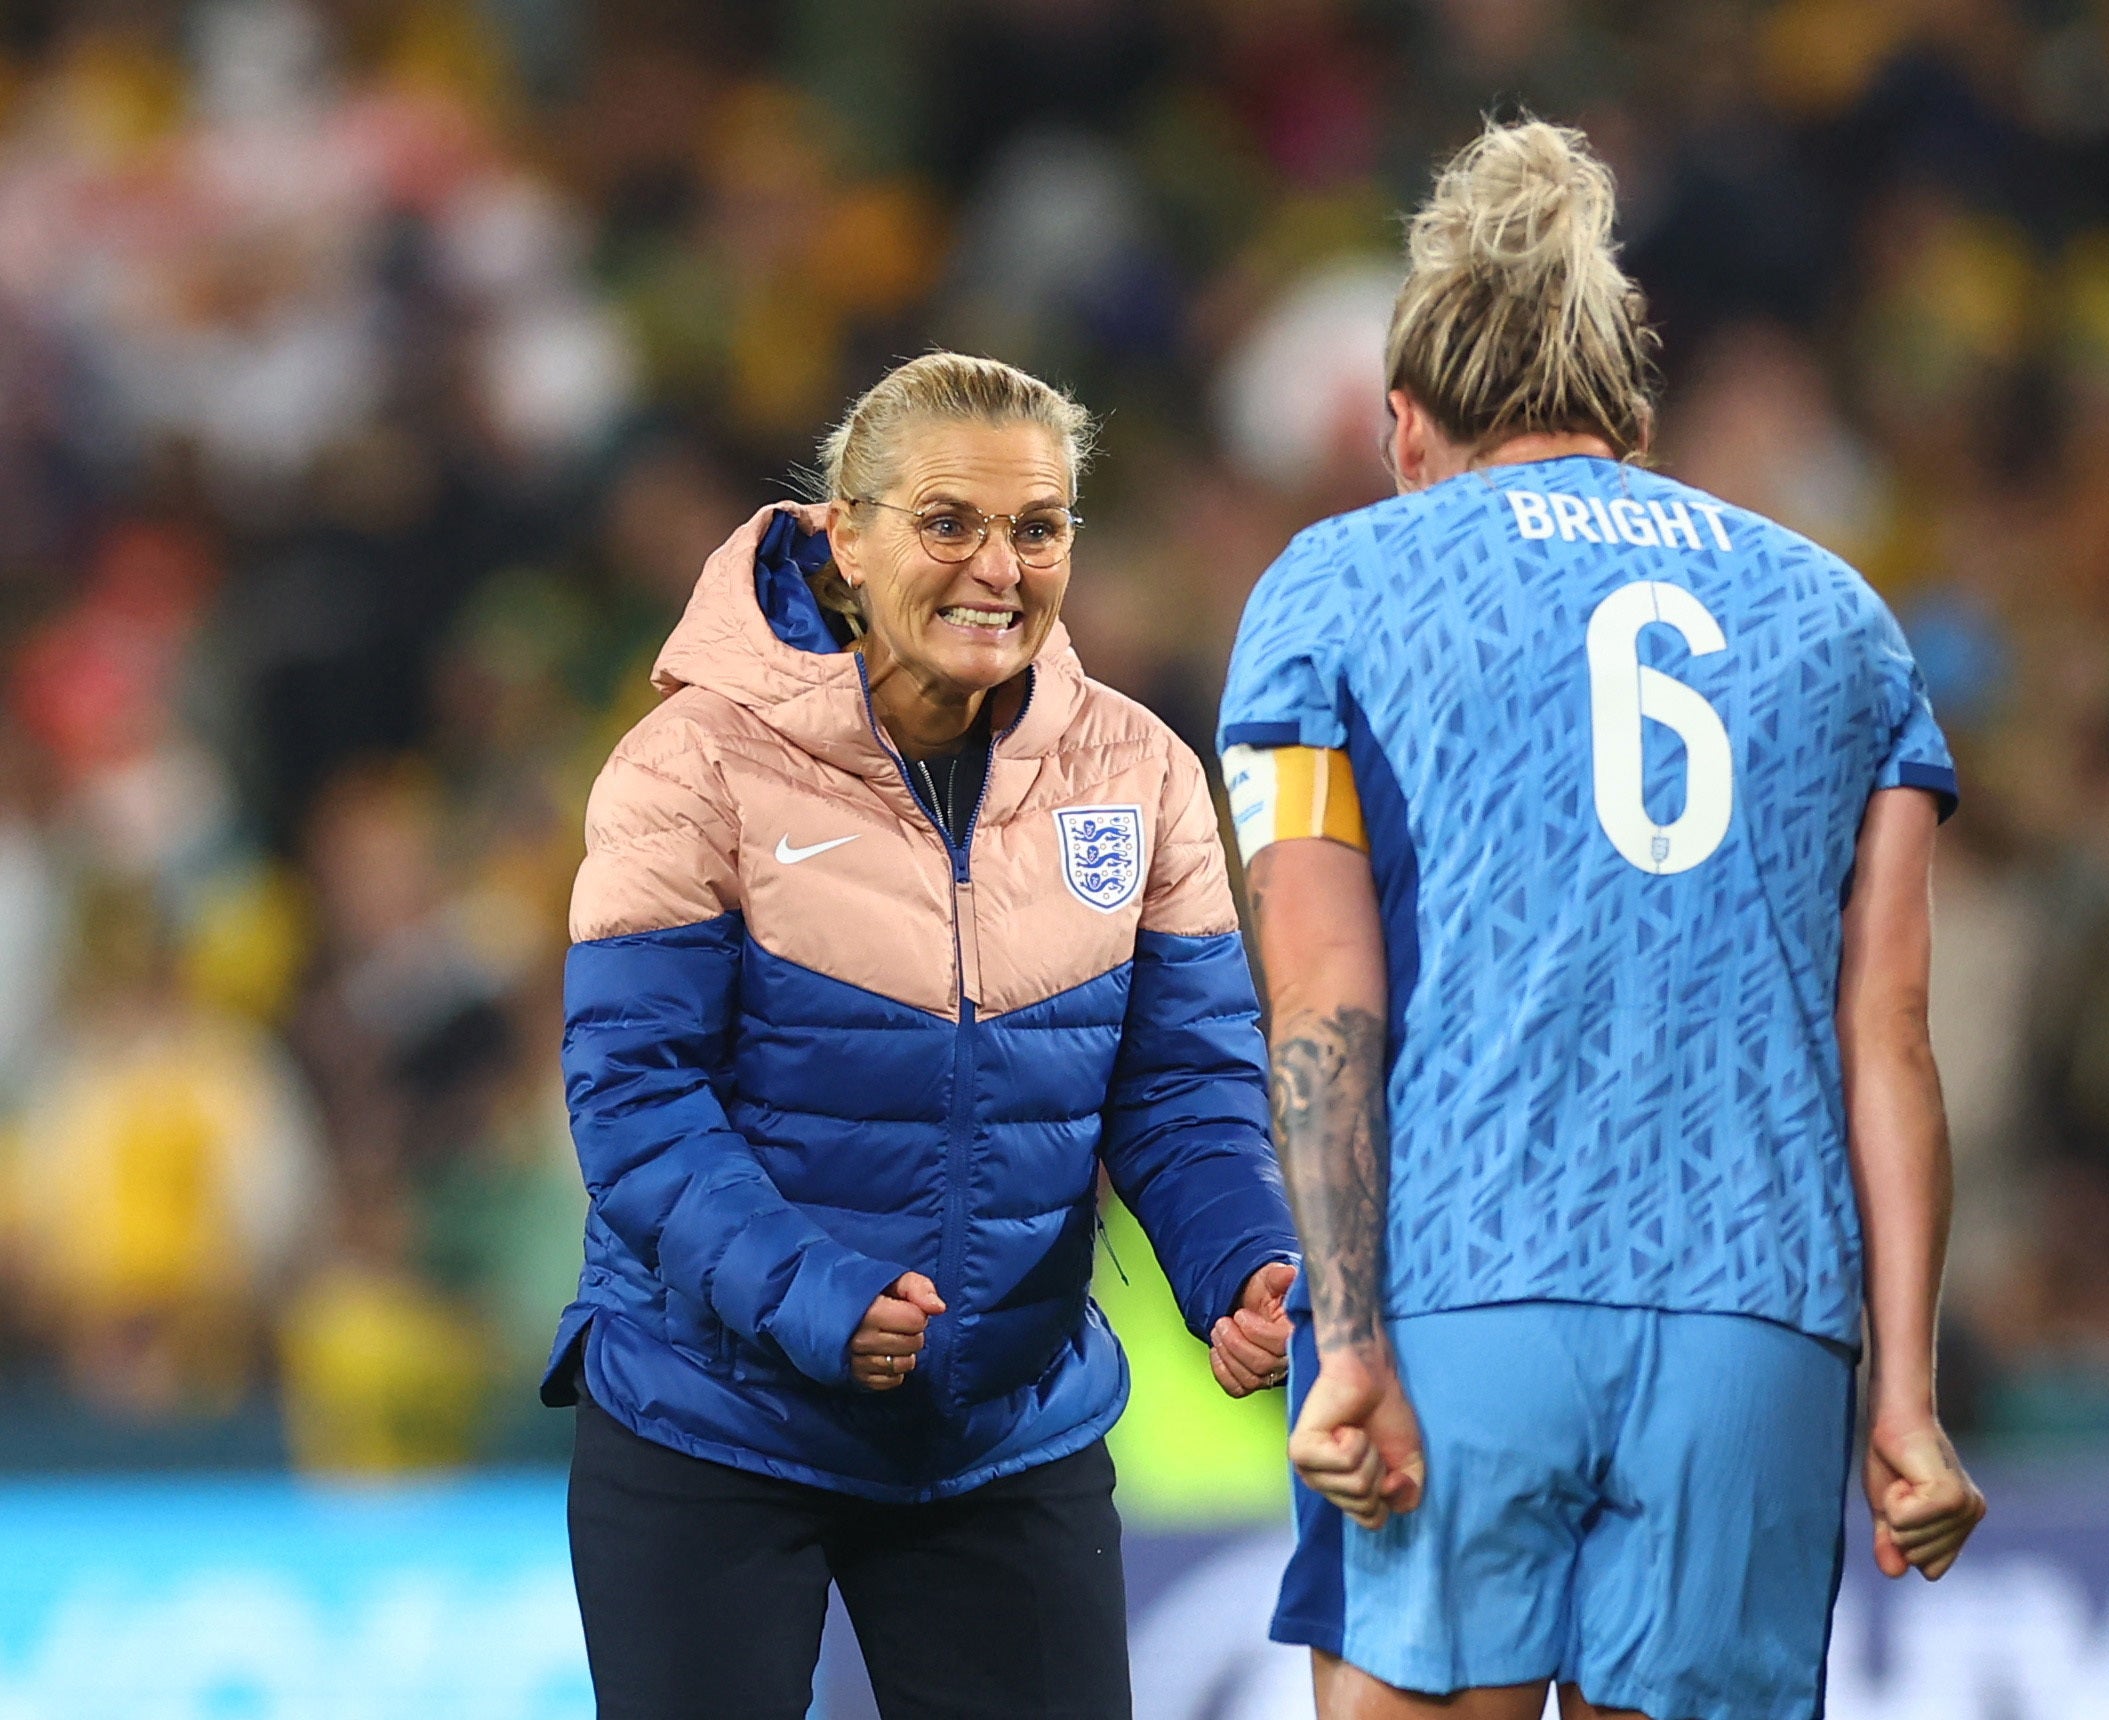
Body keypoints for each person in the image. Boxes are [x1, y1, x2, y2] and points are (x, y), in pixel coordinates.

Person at [1216, 119, 1987, 1720]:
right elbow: (1889, 1036)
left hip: (1458, 1283)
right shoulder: (1839, 617)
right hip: (1757, 1318)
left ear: (1402, 422)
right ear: (1627, 418)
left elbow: (1319, 989)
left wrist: (1346, 1334)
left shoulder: (1333, 588)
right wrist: (1902, 1398)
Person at [546, 352, 1301, 1719]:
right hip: (711, 1421)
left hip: (1003, 1432)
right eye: (947, 523)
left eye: (1038, 528)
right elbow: (633, 1102)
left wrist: (1238, 1259)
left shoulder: (1140, 774)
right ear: (845, 534)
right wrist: (818, 1298)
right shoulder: (690, 764)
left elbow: (1183, 1087)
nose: (995, 568)